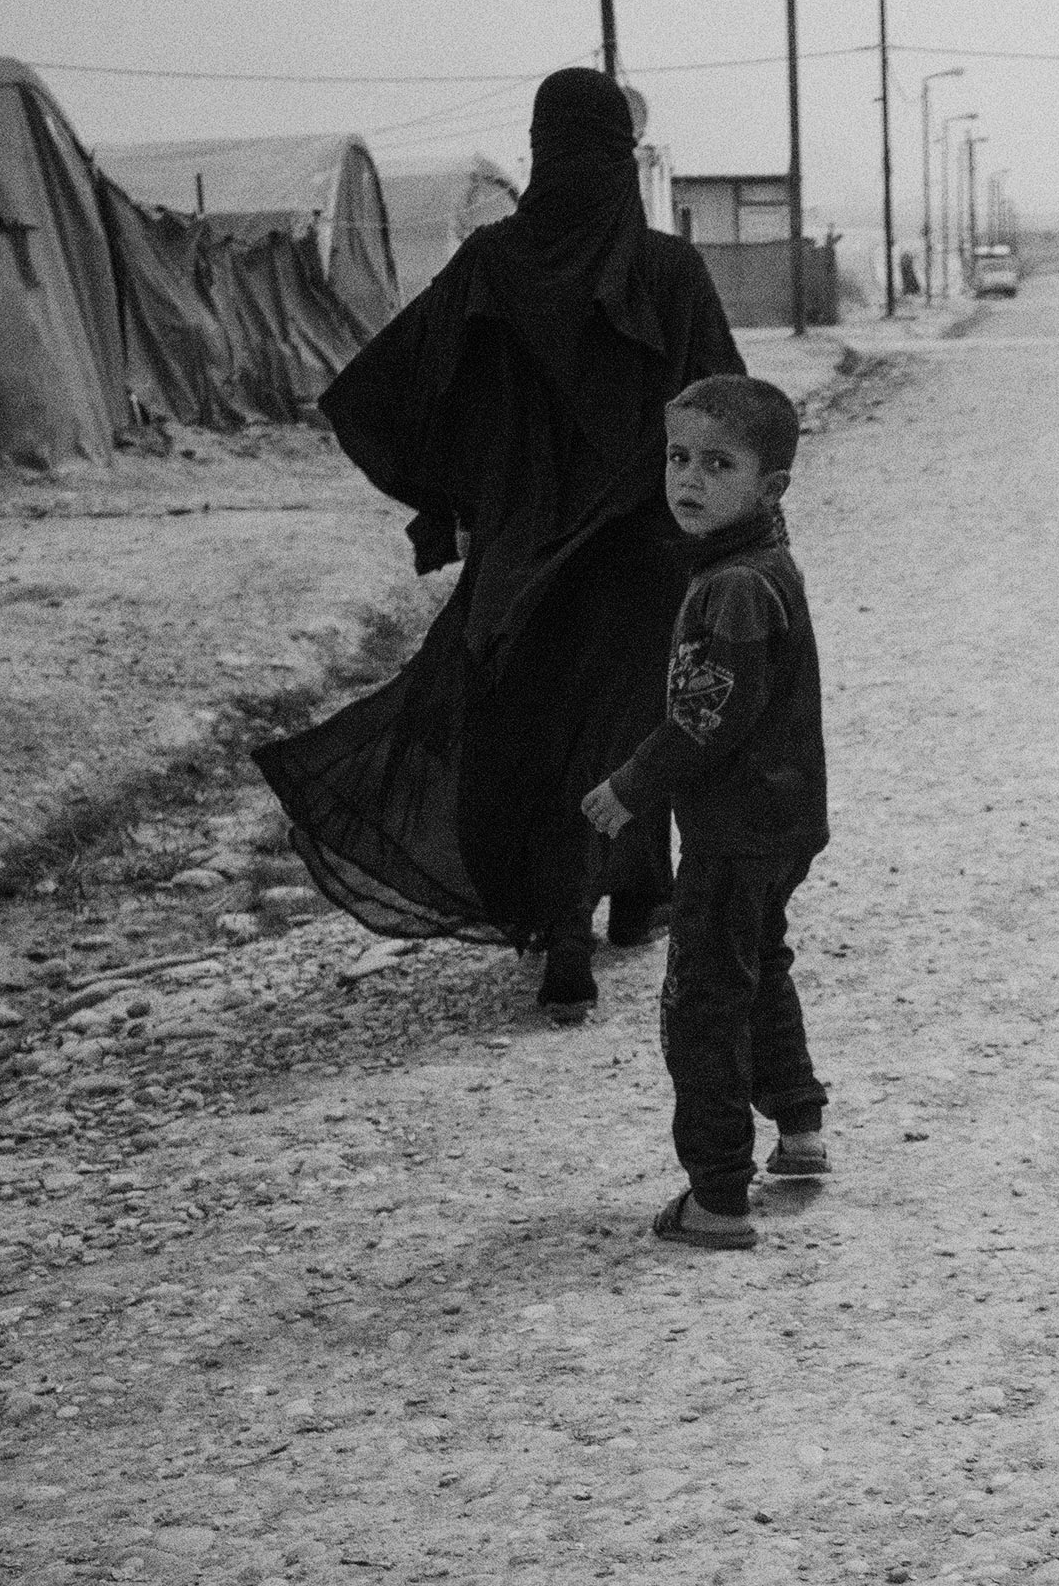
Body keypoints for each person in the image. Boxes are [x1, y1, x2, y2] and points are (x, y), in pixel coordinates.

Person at [255, 67, 744, 1018]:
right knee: (630, 724)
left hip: (521, 558)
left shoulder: (491, 262)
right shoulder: (669, 271)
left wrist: (455, 492)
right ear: (620, 154)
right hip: (646, 554)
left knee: (532, 736)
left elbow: (392, 389)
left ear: (539, 147)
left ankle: (576, 923)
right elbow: (728, 405)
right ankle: (634, 900)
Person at [581, 375, 830, 1251]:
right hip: (784, 821)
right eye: (678, 456)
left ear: (771, 489)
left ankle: (717, 1196)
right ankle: (800, 1128)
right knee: (758, 961)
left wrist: (629, 789)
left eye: (719, 464)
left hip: (736, 830)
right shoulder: (761, 564)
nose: (688, 478)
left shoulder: (730, 586)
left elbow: (704, 715)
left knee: (702, 1004)